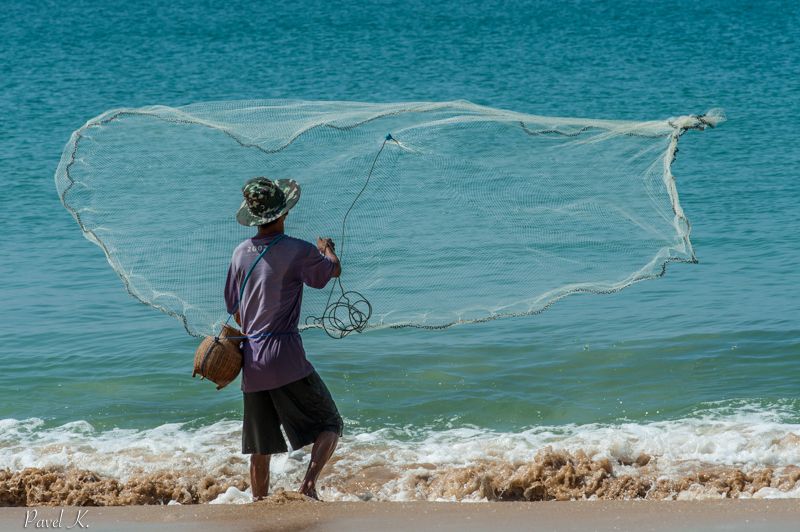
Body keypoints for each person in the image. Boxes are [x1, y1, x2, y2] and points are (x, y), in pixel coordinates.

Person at [224, 176, 343, 501]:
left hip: (253, 362)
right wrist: (328, 251)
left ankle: (259, 503)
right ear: (283, 213)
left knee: (260, 447)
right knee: (330, 423)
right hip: (286, 356)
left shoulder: (239, 254)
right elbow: (329, 273)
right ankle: (307, 486)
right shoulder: (298, 250)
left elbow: (235, 310)